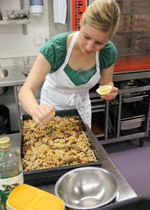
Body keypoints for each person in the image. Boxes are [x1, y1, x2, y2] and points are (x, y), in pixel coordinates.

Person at [18, 0, 121, 128]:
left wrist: (109, 90)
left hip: (81, 111)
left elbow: (106, 83)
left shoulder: (108, 52)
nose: (89, 47)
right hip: (51, 111)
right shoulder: (56, 48)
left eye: (99, 43)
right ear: (81, 22)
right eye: (86, 37)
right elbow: (25, 91)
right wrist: (36, 110)